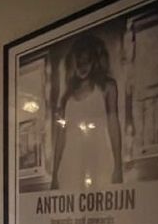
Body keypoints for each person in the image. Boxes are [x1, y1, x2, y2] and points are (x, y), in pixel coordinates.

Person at [50, 32, 123, 191]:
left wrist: (118, 166)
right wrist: (54, 175)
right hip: (71, 163)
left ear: (94, 61)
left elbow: (113, 125)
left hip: (99, 158)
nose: (83, 67)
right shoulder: (67, 98)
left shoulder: (107, 87)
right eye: (79, 62)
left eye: (87, 61)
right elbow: (60, 138)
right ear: (73, 63)